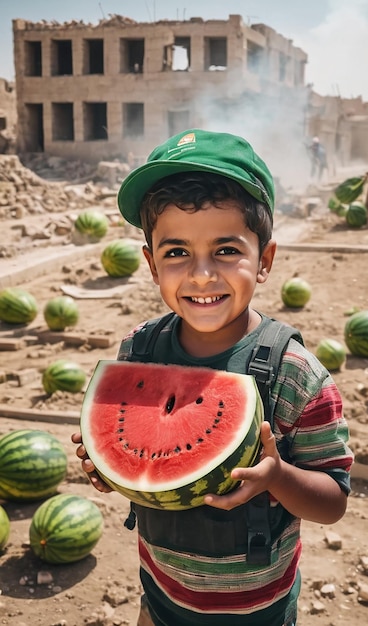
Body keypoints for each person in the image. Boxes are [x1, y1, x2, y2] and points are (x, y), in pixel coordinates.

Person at [72, 129, 353, 626]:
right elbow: (148, 465)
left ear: (264, 261)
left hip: (258, 609)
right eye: (176, 252)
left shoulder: (295, 375)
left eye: (226, 250)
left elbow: (333, 499)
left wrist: (279, 478)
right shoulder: (138, 353)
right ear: (151, 264)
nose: (201, 275)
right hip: (160, 595)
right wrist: (113, 464)